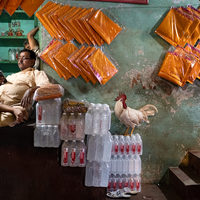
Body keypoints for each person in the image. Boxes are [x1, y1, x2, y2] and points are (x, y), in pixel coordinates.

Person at [0, 49, 50, 127]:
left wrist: (31, 90)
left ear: (32, 61)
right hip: (2, 107)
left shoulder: (36, 73)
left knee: (3, 120)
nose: (20, 61)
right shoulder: (12, 76)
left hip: (15, 108)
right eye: (19, 58)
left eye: (24, 58)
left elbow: (46, 87)